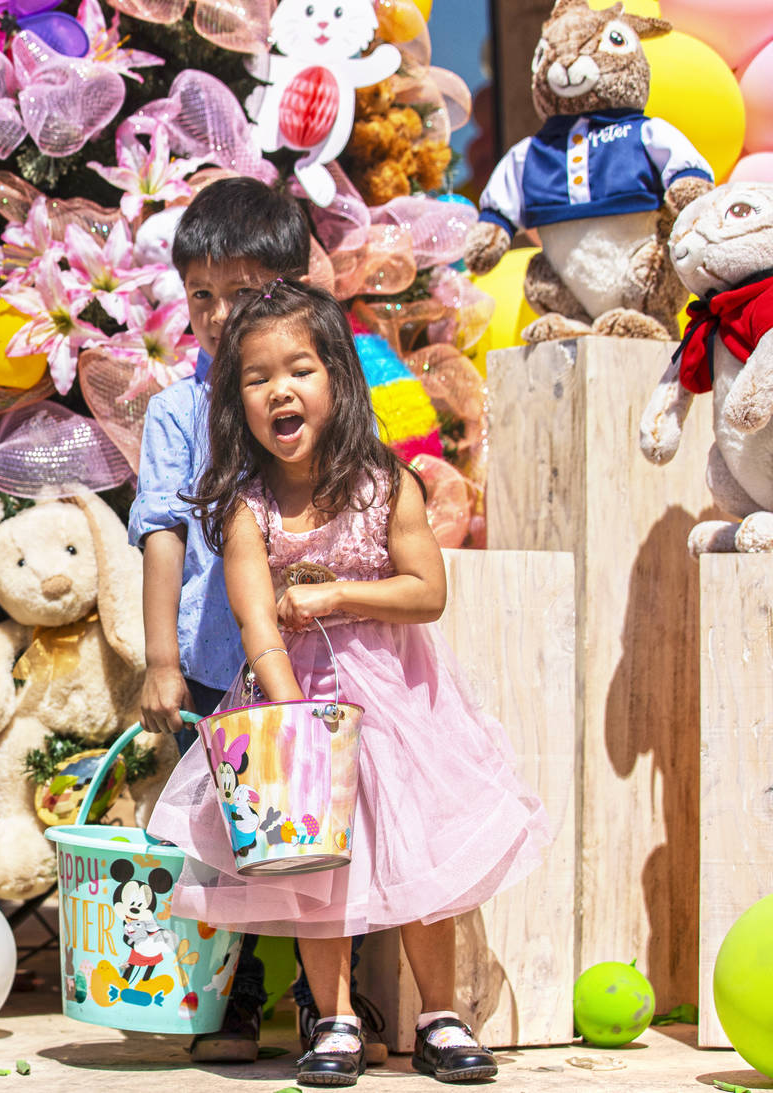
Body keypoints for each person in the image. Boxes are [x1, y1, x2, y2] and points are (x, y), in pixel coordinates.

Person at [147, 280, 552, 1087]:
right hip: (295, 704)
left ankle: (440, 1014)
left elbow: (425, 591)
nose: (278, 390)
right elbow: (256, 617)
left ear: (336, 375)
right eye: (256, 379)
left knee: (419, 854)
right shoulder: (245, 507)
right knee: (311, 868)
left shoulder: (383, 484)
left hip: (399, 707)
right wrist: (287, 708)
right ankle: (330, 1015)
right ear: (238, 402)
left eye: (298, 369)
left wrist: (335, 595)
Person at [128, 176, 312, 1063]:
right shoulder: (176, 409)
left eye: (240, 293)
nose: (215, 312)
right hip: (212, 655)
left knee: (314, 823)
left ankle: (325, 994)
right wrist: (161, 658)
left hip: (311, 652)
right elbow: (162, 534)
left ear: (292, 289)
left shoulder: (311, 391)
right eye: (201, 294)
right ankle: (232, 995)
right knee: (218, 834)